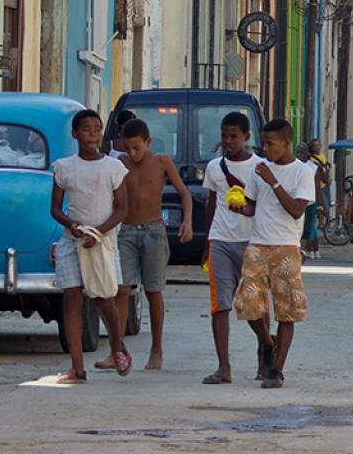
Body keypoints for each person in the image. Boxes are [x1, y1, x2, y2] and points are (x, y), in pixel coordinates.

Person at [230, 118, 317, 389]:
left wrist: (274, 182)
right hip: (258, 243)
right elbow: (254, 207)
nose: (266, 149)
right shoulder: (261, 169)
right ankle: (268, 343)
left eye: (271, 144)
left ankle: (276, 370)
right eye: (263, 144)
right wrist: (239, 207)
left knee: (287, 311)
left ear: (286, 143)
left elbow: (296, 210)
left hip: (286, 246)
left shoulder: (303, 172)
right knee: (246, 302)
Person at [50, 109, 132, 383]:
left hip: (102, 243)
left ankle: (117, 347)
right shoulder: (64, 167)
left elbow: (122, 209)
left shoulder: (113, 167)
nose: (92, 134)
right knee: (72, 299)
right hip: (72, 241)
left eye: (97, 129)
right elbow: (55, 208)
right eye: (86, 129)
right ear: (75, 134)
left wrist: (98, 232)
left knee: (103, 299)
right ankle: (77, 368)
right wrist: (72, 224)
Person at [105, 118, 193, 372]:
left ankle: (157, 350)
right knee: (121, 290)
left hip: (154, 231)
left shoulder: (161, 161)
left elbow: (184, 193)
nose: (133, 154)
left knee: (153, 291)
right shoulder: (119, 164)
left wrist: (186, 221)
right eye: (128, 148)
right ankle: (117, 350)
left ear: (148, 142)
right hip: (127, 232)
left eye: (137, 148)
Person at [199, 111, 263, 385]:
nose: (228, 141)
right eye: (224, 136)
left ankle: (266, 348)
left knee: (254, 305)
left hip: (252, 242)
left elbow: (267, 207)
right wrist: (206, 242)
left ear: (247, 137)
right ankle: (223, 367)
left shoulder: (261, 167)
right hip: (220, 240)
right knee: (220, 305)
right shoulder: (214, 167)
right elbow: (212, 204)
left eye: (234, 136)